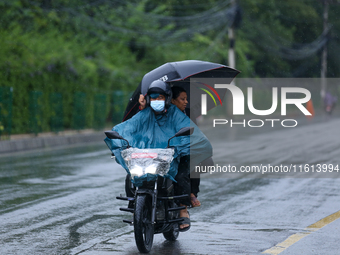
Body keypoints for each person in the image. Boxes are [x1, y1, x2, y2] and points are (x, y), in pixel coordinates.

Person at [105, 79, 212, 232]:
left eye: (160, 97)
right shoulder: (144, 114)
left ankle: (182, 209)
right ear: (149, 99)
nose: (156, 101)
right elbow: (128, 127)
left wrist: (179, 147)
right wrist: (118, 137)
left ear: (167, 98)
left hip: (170, 158)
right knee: (131, 176)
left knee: (182, 176)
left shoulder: (176, 114)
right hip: (147, 158)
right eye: (153, 98)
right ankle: (134, 203)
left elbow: (190, 132)